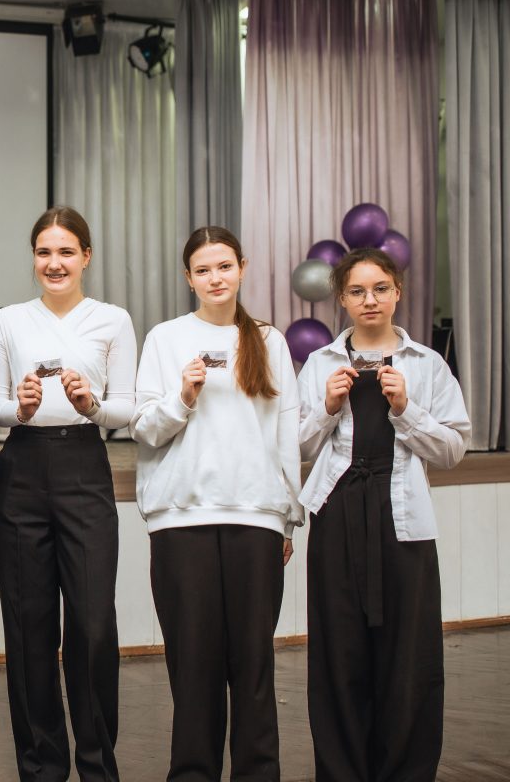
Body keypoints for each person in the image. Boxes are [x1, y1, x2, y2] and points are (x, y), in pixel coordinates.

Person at [131, 226, 303, 782]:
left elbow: (286, 431)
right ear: (188, 278)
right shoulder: (165, 338)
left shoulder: (270, 341)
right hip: (181, 523)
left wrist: (288, 517)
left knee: (253, 668)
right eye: (203, 270)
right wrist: (182, 396)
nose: (215, 278)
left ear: (242, 268)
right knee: (194, 669)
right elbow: (145, 430)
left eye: (224, 266)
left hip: (256, 521)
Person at [297, 249, 470, 782]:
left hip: (404, 521)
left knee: (408, 654)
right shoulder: (321, 364)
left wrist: (407, 410)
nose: (369, 300)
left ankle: (406, 771)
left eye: (379, 289)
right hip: (336, 514)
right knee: (339, 653)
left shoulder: (427, 364)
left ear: (397, 292)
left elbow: (453, 450)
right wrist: (325, 409)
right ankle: (343, 771)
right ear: (342, 298)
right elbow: (295, 449)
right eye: (356, 291)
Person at [0, 206, 135, 781]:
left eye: (66, 252)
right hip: (20, 471)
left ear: (86, 257)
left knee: (94, 628)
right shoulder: (8, 319)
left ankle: (98, 766)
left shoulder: (112, 319)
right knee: (28, 631)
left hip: (84, 466)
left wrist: (91, 404)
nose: (54, 263)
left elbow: (127, 406)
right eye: (44, 252)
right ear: (34, 258)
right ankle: (41, 768)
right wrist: (18, 408)